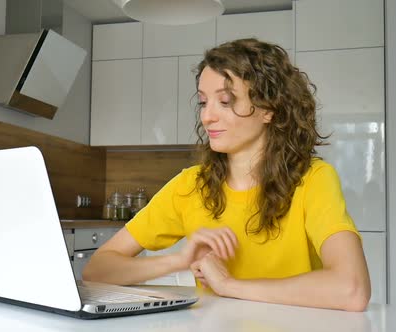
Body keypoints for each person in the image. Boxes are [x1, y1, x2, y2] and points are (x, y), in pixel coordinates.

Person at [83, 38, 371, 312]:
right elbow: (98, 270)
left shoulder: (313, 179)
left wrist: (230, 285)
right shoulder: (190, 185)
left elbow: (351, 289)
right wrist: (178, 260)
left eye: (226, 101)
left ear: (268, 109)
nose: (207, 116)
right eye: (203, 102)